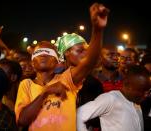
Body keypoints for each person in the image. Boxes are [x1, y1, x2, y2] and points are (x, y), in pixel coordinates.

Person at [15, 3, 109, 131]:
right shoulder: (26, 85)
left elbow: (88, 63)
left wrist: (97, 30)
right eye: (38, 53)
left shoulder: (66, 79)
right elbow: (22, 120)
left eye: (48, 53)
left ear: (56, 61)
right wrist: (45, 92)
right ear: (32, 62)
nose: (43, 54)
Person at [77, 65, 151, 131]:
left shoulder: (136, 101)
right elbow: (78, 115)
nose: (146, 95)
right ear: (127, 85)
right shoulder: (110, 99)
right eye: (142, 90)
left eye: (148, 91)